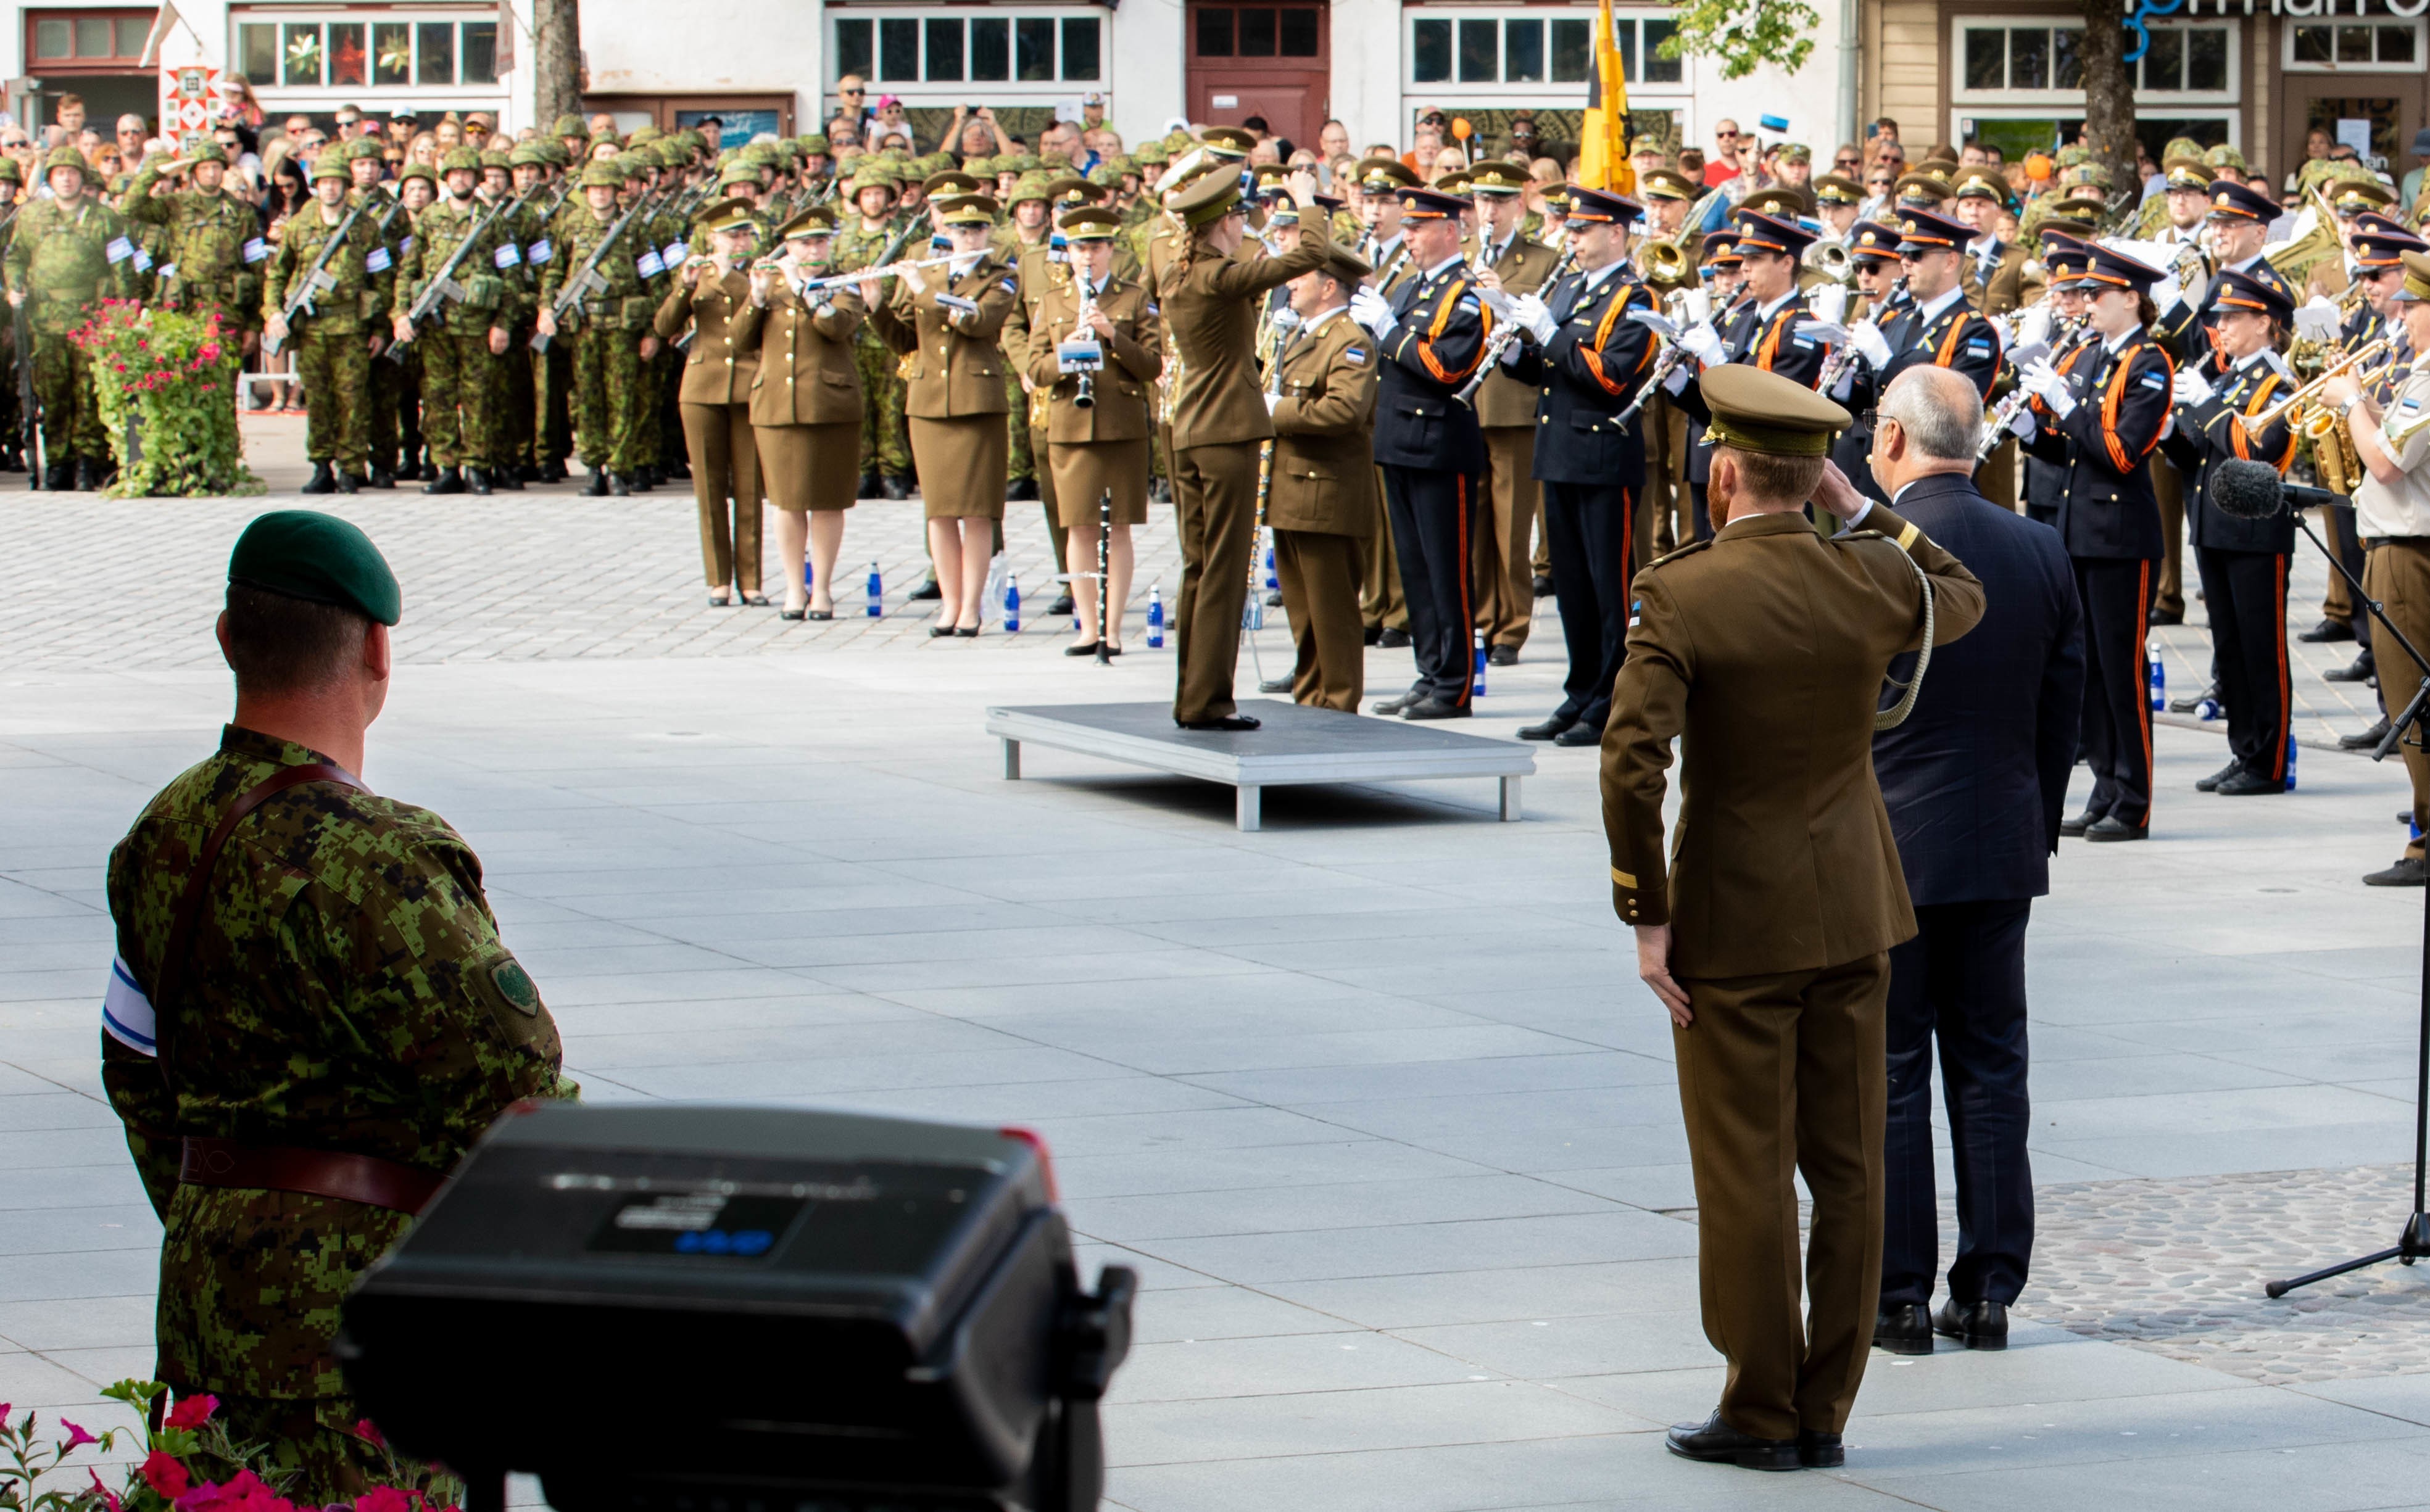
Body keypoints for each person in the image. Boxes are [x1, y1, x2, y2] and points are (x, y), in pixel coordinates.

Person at [100, 511, 574, 1503]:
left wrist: (226, 1211)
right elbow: (516, 1086)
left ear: (230, 638)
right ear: (375, 648)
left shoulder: (163, 830)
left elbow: (132, 1064)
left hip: (207, 1297)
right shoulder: (380, 854)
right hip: (358, 1329)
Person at [1606, 364, 1984, 1473]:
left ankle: (1759, 1408)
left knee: (1745, 1171)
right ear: (1811, 474)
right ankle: (1826, 1405)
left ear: (1721, 470)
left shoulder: (1682, 590)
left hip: (1733, 919)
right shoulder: (1869, 572)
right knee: (1851, 1164)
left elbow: (1632, 764)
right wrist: (1860, 509)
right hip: (1856, 906)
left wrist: (1645, 911)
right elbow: (1959, 592)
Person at [1863, 366, 2083, 1358]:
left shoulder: (1866, 545)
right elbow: (2062, 702)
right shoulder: (2036, 544)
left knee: (1891, 1065)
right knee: (1992, 1065)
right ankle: (1988, 1289)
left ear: (1896, 441)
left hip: (1889, 844)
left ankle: (1898, 1293)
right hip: (1999, 838)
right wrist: (2032, 819)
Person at [1158, 163, 1329, 727]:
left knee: (1197, 568)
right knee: (1225, 570)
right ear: (1222, 223)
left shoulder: (1181, 275)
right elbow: (1307, 256)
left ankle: (1192, 694)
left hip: (1189, 430)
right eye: (1240, 215)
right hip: (1227, 432)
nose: (1246, 222)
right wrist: (1307, 202)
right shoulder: (1218, 276)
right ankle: (1207, 701)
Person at [2016, 243, 2174, 843]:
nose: (2084, 304)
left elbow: (2119, 452)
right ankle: (2104, 785)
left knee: (2121, 671)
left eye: (2096, 294)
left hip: (2119, 539)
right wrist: (2034, 432)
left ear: (2130, 298)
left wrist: (2064, 405)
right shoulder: (2088, 355)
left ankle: (2132, 800)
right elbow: (2071, 451)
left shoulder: (2148, 363)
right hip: (2075, 531)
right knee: (2085, 672)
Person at [1506, 185, 1656, 747]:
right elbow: (1551, 371)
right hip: (1561, 454)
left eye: (1582, 230)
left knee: (1609, 587)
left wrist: (1550, 334)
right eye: (1570, 230)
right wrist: (1517, 351)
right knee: (1571, 587)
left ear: (1616, 233)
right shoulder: (1569, 286)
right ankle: (1580, 690)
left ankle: (1612, 700)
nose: (1572, 240)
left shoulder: (1636, 297)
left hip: (1602, 457)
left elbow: (1611, 377)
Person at [1352, 183, 1490, 720]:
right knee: (1415, 568)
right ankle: (1429, 671)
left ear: (1450, 231)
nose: (1406, 237)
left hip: (1440, 444)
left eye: (1418, 228)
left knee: (1446, 568)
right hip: (1400, 442)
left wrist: (1388, 331)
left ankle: (1454, 684)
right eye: (1405, 227)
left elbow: (1447, 367)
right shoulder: (1410, 287)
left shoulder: (1466, 291)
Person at [2162, 270, 2300, 797]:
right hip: (2214, 528)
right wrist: (2172, 427)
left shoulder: (2276, 381)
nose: (2221, 327)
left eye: (2233, 317)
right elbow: (2197, 456)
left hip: (2256, 535)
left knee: (2262, 650)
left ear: (2265, 322)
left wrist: (2207, 405)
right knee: (2231, 650)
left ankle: (2268, 760)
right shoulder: (2222, 379)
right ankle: (2244, 748)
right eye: (2218, 318)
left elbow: (2256, 448)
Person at [865, 192, 1019, 635]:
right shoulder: (930, 273)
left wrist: (921, 289)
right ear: (946, 233)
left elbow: (976, 323)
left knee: (976, 512)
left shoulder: (1001, 278)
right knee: (939, 512)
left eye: (977, 229)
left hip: (975, 402)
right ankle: (949, 604)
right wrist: (875, 303)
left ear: (989, 232)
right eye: (960, 230)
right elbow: (905, 341)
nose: (969, 237)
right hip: (929, 401)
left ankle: (972, 606)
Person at [2322, 250, 2430, 884]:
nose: (2401, 316)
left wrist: (2352, 400)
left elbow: (2386, 463)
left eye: (2412, 307)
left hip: (2408, 554)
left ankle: (2423, 845)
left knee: (2410, 707)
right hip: (2398, 546)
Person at [1024, 205, 1162, 655]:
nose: (1088, 256)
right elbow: (1034, 368)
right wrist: (1068, 353)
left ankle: (1113, 627)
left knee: (1118, 527)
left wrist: (1111, 336)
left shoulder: (1133, 297)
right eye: (1080, 247)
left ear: (1110, 250)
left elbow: (1152, 363)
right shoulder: (1053, 301)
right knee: (1080, 528)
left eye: (1096, 247)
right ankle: (1088, 625)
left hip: (1120, 425)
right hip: (1069, 424)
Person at [739, 205, 867, 618]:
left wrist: (804, 289)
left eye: (819, 241)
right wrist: (756, 296)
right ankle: (795, 588)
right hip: (777, 404)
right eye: (803, 243)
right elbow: (740, 341)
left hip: (828, 403)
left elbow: (838, 328)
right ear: (788, 247)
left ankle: (823, 589)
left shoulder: (843, 282)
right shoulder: (771, 285)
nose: (813, 249)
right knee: (787, 501)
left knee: (828, 500)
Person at [1267, 243, 1380, 709]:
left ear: (1329, 286)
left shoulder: (1349, 340)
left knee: (1331, 617)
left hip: (1326, 496)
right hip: (1293, 495)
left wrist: (1278, 411)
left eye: (1302, 277)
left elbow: (1343, 410)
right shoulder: (1302, 335)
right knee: (1305, 616)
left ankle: (1338, 707)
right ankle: (1310, 700)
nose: (1290, 284)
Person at [1464, 161, 1560, 669]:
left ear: (1519, 206)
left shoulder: (1542, 260)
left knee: (1511, 526)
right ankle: (1482, 617)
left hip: (1513, 405)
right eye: (1483, 201)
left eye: (1500, 202)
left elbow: (1541, 335)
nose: (1490, 211)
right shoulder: (1462, 256)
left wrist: (1501, 299)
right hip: (1466, 402)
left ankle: (1511, 627)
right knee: (1474, 525)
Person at [658, 197, 770, 608]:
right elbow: (664, 325)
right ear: (712, 238)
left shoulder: (759, 273)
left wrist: (737, 276)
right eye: (730, 235)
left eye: (744, 234)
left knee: (749, 485)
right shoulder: (695, 273)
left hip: (745, 383)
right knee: (708, 486)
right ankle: (718, 579)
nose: (738, 241)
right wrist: (685, 286)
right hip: (702, 385)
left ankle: (752, 579)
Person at [4, 146, 136, 490]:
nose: (66, 178)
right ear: (50, 179)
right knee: (53, 394)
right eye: (59, 173)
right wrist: (14, 286)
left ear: (82, 177)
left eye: (72, 172)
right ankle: (59, 462)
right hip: (45, 323)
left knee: (89, 395)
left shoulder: (106, 218)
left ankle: (88, 461)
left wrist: (124, 315)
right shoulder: (32, 217)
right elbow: (15, 257)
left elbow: (123, 270)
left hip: (90, 321)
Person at [263, 152, 391, 494]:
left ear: (346, 187)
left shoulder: (365, 227)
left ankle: (351, 467)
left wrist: (380, 328)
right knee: (318, 399)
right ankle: (321, 465)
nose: (331, 188)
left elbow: (381, 279)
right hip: (313, 328)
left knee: (352, 400)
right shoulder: (300, 226)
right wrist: (273, 311)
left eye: (337, 182)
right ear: (316, 186)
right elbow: (278, 273)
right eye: (324, 183)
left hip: (351, 326)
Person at [394, 146, 517, 495]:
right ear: (445, 178)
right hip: (437, 327)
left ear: (476, 179)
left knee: (478, 397)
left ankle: (478, 466)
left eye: (466, 173)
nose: (460, 178)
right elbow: (408, 270)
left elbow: (511, 277)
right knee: (438, 396)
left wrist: (503, 322)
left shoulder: (493, 220)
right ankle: (446, 466)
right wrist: (401, 313)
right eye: (453, 173)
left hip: (477, 326)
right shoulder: (430, 219)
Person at [534, 160, 658, 496]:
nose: (600, 193)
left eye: (606, 188)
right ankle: (594, 466)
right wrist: (546, 308)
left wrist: (653, 332)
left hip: (621, 327)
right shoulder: (572, 225)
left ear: (618, 192)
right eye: (594, 188)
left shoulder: (633, 228)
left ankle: (619, 468)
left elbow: (654, 280)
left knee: (622, 398)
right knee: (587, 398)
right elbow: (553, 271)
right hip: (584, 327)